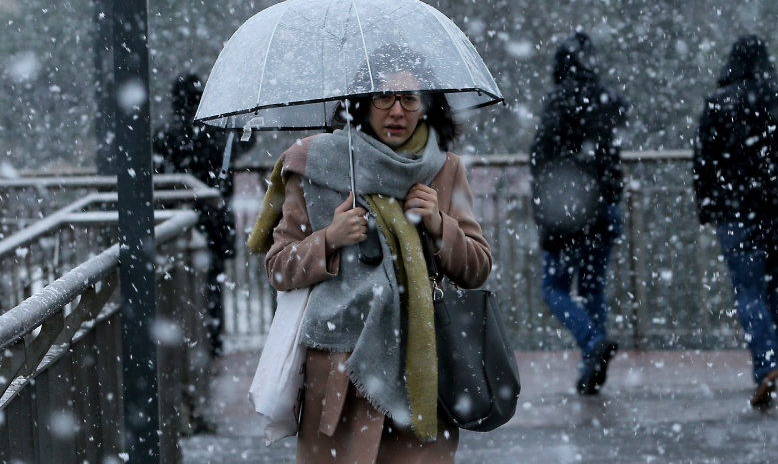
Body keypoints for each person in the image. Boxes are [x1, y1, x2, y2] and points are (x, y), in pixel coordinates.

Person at [254, 47, 492, 463]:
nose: (397, 111)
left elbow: (477, 268)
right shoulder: (314, 163)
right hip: (340, 374)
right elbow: (278, 268)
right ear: (362, 103)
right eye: (383, 97)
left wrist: (439, 224)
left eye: (410, 98)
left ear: (426, 105)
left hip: (421, 367)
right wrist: (329, 239)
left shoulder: (444, 169)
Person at [693, 35, 778, 409]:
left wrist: (706, 204)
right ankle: (770, 359)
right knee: (772, 284)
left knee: (748, 291)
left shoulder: (719, 103)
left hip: (737, 209)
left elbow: (704, 160)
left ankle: (766, 364)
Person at [530, 32, 628, 396]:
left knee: (554, 287)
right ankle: (591, 367)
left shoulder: (558, 102)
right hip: (604, 207)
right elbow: (611, 158)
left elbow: (541, 158)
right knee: (592, 286)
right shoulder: (608, 102)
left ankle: (591, 342)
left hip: (567, 209)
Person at [152, 72, 256, 356]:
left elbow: (158, 173)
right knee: (212, 283)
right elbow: (246, 142)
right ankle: (212, 341)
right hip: (214, 218)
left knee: (176, 285)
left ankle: (182, 346)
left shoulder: (164, 135)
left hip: (177, 223)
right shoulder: (218, 132)